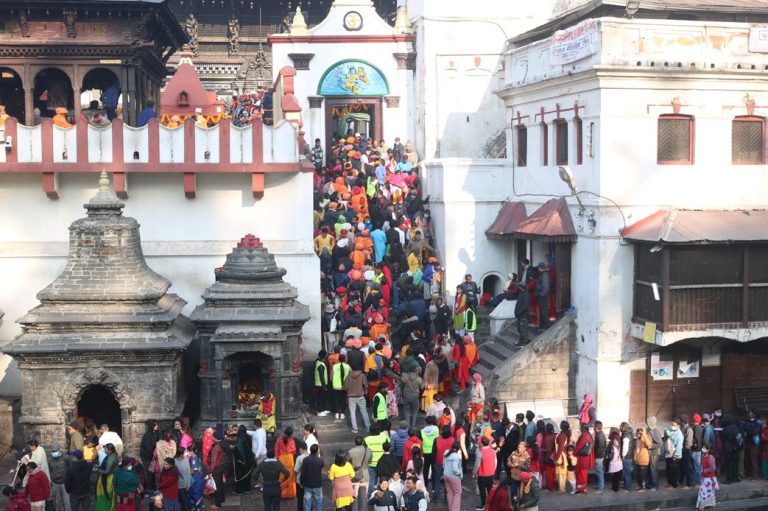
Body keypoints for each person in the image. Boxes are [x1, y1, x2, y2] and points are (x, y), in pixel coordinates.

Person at [347, 437, 372, 511]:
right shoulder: (369, 450)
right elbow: (370, 461)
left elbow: (348, 463)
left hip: (354, 475)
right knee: (364, 496)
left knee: (354, 496)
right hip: (365, 475)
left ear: (355, 442)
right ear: (363, 442)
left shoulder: (351, 451)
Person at [344, 365, 370, 433]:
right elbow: (366, 385)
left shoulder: (348, 376)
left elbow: (345, 388)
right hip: (360, 396)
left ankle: (355, 429)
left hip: (351, 397)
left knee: (352, 413)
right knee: (364, 412)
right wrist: (365, 391)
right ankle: (368, 427)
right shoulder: (362, 375)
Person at [473, 437, 496, 509]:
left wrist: (474, 473)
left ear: (482, 443)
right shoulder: (493, 451)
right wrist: (493, 470)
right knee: (490, 490)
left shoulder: (480, 453)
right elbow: (495, 461)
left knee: (482, 490)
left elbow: (477, 465)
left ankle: (483, 505)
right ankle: (491, 504)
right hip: (491, 474)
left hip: (482, 475)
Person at [275, 427, 298, 499]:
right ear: (291, 434)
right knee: (290, 475)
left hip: (281, 458)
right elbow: (294, 451)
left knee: (282, 475)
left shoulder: (279, 439)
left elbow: (276, 449)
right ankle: (290, 493)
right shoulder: (291, 440)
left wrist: (277, 458)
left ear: (284, 432)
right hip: (290, 459)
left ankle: (281, 492)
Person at [301, 444, 324, 511]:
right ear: (317, 451)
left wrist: (302, 482)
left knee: (307, 504)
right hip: (317, 485)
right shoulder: (320, 460)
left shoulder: (305, 460)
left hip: (308, 485)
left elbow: (303, 473)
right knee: (319, 504)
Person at [208, 430, 227, 510]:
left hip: (217, 468)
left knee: (217, 486)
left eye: (213, 436)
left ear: (216, 438)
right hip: (222, 466)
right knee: (221, 484)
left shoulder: (216, 447)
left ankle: (217, 504)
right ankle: (222, 498)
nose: (212, 437)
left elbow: (213, 460)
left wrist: (210, 471)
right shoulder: (224, 444)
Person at [96, 443, 118, 511]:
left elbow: (107, 472)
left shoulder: (110, 459)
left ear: (110, 450)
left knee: (106, 495)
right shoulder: (112, 455)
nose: (104, 450)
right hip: (111, 477)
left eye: (105, 449)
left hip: (108, 479)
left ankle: (106, 508)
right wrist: (99, 466)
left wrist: (97, 470)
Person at [697, 444, 719, 510]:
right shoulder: (703, 457)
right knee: (706, 492)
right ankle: (711, 504)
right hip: (705, 477)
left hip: (709, 478)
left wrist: (705, 470)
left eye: (704, 448)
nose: (703, 449)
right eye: (703, 447)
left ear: (708, 450)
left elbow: (713, 468)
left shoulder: (711, 457)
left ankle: (704, 505)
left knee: (706, 492)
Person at [442, 441, 462, 511]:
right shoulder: (456, 456)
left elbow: (443, 464)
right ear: (458, 448)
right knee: (458, 493)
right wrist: (459, 473)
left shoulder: (446, 453)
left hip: (446, 475)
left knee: (449, 493)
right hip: (454, 477)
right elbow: (455, 469)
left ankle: (451, 508)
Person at [49, 444, 70, 511]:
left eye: (55, 451)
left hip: (65, 483)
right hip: (55, 483)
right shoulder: (50, 459)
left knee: (67, 501)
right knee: (58, 502)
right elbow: (50, 470)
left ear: (59, 450)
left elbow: (70, 468)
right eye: (53, 451)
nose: (54, 452)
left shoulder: (66, 458)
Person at [574, 423, 593, 494]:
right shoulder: (589, 435)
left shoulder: (584, 435)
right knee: (584, 473)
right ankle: (584, 488)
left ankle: (581, 490)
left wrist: (573, 453)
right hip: (586, 457)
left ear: (582, 428)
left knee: (581, 474)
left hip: (582, 457)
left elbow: (579, 446)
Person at [665, 419, 684, 488]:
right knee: (668, 470)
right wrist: (667, 430)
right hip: (668, 454)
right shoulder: (671, 430)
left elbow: (679, 446)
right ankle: (669, 483)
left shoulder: (679, 435)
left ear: (678, 426)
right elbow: (666, 430)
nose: (672, 426)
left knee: (674, 471)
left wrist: (675, 456)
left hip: (675, 455)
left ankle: (673, 485)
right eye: (672, 424)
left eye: (674, 425)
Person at [646, 416, 663, 490]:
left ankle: (655, 485)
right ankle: (650, 484)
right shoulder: (649, 429)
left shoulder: (655, 431)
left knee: (654, 470)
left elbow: (660, 444)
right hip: (650, 453)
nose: (647, 423)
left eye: (648, 422)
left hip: (654, 453)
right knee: (650, 470)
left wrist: (651, 446)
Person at [331, 353, 350, 420]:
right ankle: (341, 413)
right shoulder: (348, 366)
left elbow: (331, 376)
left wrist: (332, 381)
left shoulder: (334, 366)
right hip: (344, 386)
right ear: (345, 359)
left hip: (336, 385)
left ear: (338, 359)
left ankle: (337, 413)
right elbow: (350, 375)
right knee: (343, 399)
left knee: (337, 399)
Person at [314, 350, 331, 416]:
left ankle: (323, 409)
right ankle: (319, 411)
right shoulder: (321, 365)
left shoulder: (318, 362)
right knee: (320, 398)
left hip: (320, 384)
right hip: (320, 384)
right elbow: (321, 377)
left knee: (323, 397)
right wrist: (324, 386)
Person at [593, 420, 607, 494]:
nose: (593, 427)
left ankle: (601, 488)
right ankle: (600, 486)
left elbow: (600, 448)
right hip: (599, 456)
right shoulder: (599, 434)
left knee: (599, 472)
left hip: (599, 457)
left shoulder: (600, 435)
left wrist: (596, 457)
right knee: (599, 471)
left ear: (596, 427)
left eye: (594, 426)